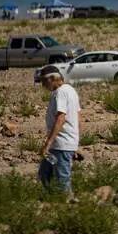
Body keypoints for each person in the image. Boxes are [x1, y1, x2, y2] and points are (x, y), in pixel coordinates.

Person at [37, 65, 81, 193]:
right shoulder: (71, 90)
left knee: (62, 179)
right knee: (44, 174)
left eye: (44, 82)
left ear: (51, 79)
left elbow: (61, 118)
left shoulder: (60, 93)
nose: (43, 85)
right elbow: (78, 117)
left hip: (61, 144)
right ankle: (51, 199)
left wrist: (47, 143)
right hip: (62, 145)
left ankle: (67, 205)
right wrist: (76, 143)